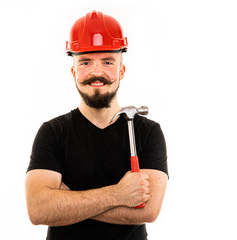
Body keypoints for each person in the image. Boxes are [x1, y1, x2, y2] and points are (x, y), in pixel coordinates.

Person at [25, 10, 168, 240]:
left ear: (122, 70)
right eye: (85, 62)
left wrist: (67, 201)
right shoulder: (52, 133)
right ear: (74, 72)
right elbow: (38, 209)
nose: (96, 72)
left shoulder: (147, 132)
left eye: (108, 61)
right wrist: (119, 194)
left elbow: (148, 211)